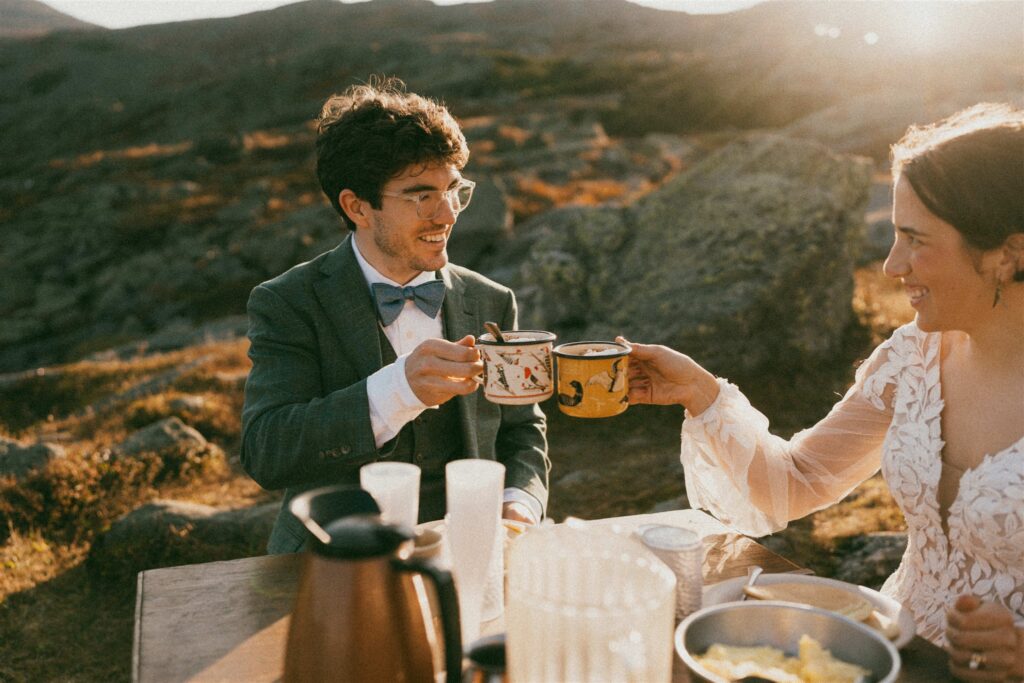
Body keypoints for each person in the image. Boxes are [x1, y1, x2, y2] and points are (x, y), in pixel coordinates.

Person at [621, 103, 1023, 680]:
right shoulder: (912, 357)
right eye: (895, 235)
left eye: (915, 240)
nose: (891, 266)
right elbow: (799, 481)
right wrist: (701, 393)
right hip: (886, 656)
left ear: (1007, 254)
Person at [241, 78, 549, 554]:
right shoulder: (288, 301)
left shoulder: (491, 300)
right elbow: (267, 451)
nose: (447, 214)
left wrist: (519, 503)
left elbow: (521, 430)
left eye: (453, 189)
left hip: (472, 550)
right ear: (357, 206)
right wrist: (398, 390)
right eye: (421, 196)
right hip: (336, 560)